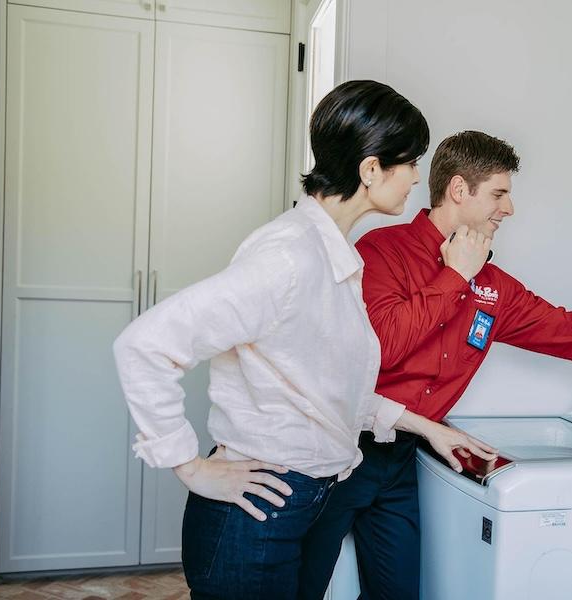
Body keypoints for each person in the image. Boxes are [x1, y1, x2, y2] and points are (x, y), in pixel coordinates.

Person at [297, 130, 572, 600]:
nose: (508, 209)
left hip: (408, 454)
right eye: (499, 193)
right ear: (458, 190)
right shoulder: (381, 252)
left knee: (397, 593)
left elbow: (569, 330)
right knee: (300, 586)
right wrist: (456, 276)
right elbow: (383, 345)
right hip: (343, 449)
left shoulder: (493, 287)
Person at [112, 85, 495, 600]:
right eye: (411, 163)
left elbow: (328, 392)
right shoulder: (291, 257)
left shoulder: (333, 255)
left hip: (301, 501)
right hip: (256, 514)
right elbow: (145, 344)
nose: (415, 180)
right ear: (371, 169)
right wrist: (191, 467)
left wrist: (430, 429)